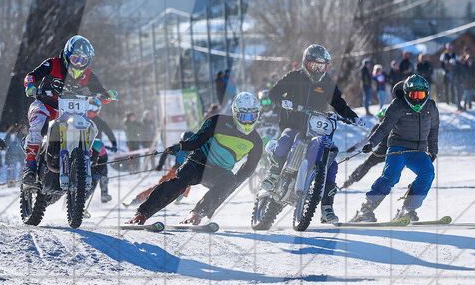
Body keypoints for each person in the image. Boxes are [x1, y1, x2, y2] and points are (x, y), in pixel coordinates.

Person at [258, 44, 360, 225]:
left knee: (331, 163)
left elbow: (338, 102)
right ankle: (273, 174)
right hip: (293, 124)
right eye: (315, 66)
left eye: (322, 67)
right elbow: (273, 92)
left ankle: (327, 208)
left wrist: (352, 117)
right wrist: (283, 102)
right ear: (306, 63)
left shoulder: (327, 83)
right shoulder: (294, 77)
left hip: (316, 130)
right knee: (287, 138)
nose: (318, 70)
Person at [129, 92, 263, 226]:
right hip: (197, 163)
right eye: (243, 117)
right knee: (179, 183)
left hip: (219, 172)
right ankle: (142, 214)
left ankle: (197, 214)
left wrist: (234, 184)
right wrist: (181, 146)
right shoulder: (218, 122)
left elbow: (249, 168)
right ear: (235, 113)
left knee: (229, 181)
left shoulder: (256, 141)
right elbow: (197, 140)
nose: (247, 121)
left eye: (252, 117)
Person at [22, 35, 117, 188]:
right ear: (67, 55)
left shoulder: (87, 74)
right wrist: (30, 85)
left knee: (91, 126)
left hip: (69, 111)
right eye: (75, 59)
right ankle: (30, 168)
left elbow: (101, 91)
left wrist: (107, 95)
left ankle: (84, 162)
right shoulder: (53, 64)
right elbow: (31, 76)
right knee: (38, 124)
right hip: (45, 105)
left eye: (83, 61)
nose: (79, 64)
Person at [351, 75, 438, 223]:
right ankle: (366, 209)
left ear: (427, 94)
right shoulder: (398, 105)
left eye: (421, 95)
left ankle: (408, 208)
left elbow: (434, 130)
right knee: (391, 176)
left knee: (428, 174)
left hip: (418, 151)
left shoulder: (431, 107)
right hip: (398, 148)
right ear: (406, 94)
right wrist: (372, 143)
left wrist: (433, 150)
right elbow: (384, 128)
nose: (417, 99)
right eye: (414, 95)